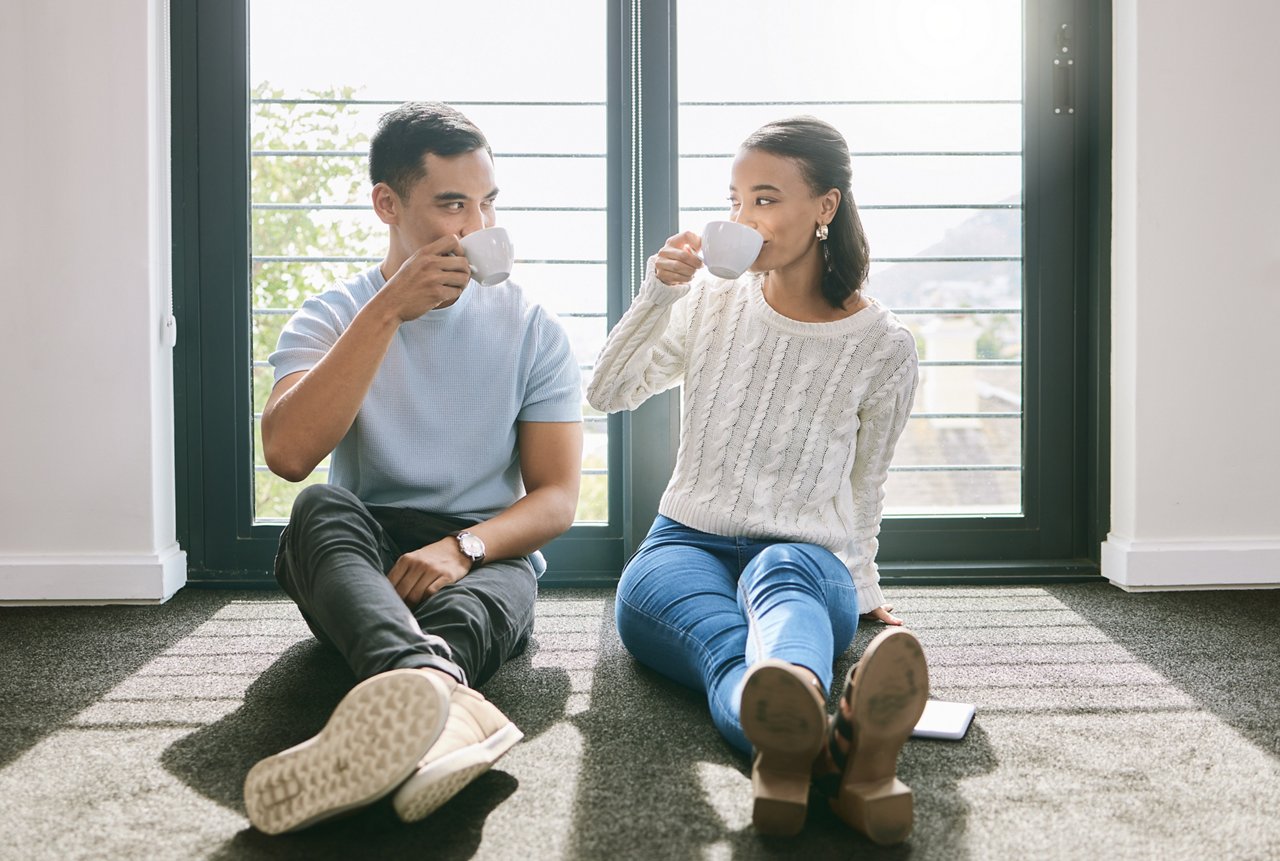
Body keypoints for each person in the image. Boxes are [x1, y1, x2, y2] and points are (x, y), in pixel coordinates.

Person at [586, 116, 930, 844]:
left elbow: (869, 484)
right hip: (683, 542)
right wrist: (658, 293)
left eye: (765, 199)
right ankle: (848, 755)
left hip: (805, 557)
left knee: (780, 578)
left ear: (825, 208)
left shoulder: (883, 345)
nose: (742, 218)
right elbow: (607, 391)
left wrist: (864, 592)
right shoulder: (710, 301)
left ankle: (792, 735)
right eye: (735, 200)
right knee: (722, 647)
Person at [243, 102, 584, 835]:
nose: (477, 226)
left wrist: (463, 547)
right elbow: (290, 455)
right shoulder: (329, 315)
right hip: (363, 555)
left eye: (488, 203)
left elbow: (556, 498)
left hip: (477, 548)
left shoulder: (533, 328)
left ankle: (417, 693)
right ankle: (446, 702)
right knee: (314, 514)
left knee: (494, 589)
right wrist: (388, 311)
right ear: (387, 205)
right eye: (453, 204)